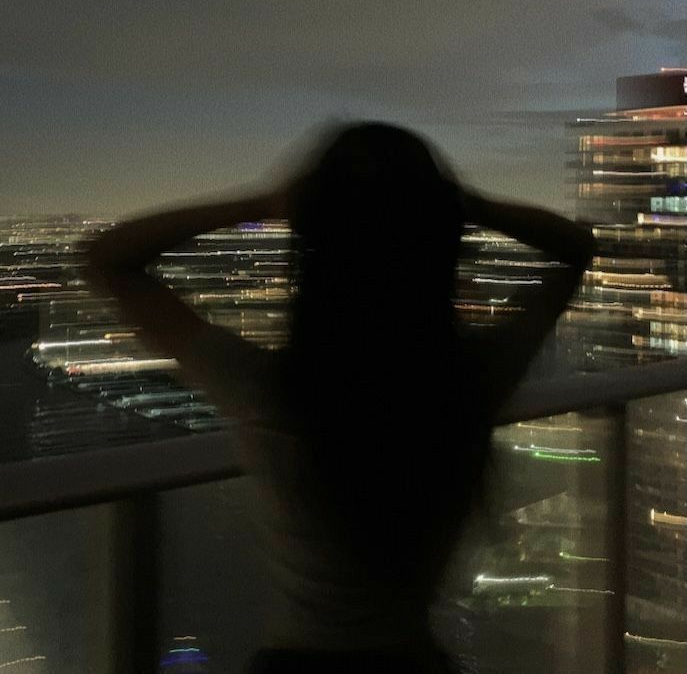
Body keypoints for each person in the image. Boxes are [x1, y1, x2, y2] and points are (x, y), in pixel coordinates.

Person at [86, 122, 595, 673]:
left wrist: (272, 202)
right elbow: (575, 249)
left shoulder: (270, 391)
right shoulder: (468, 382)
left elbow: (110, 259)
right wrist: (462, 204)